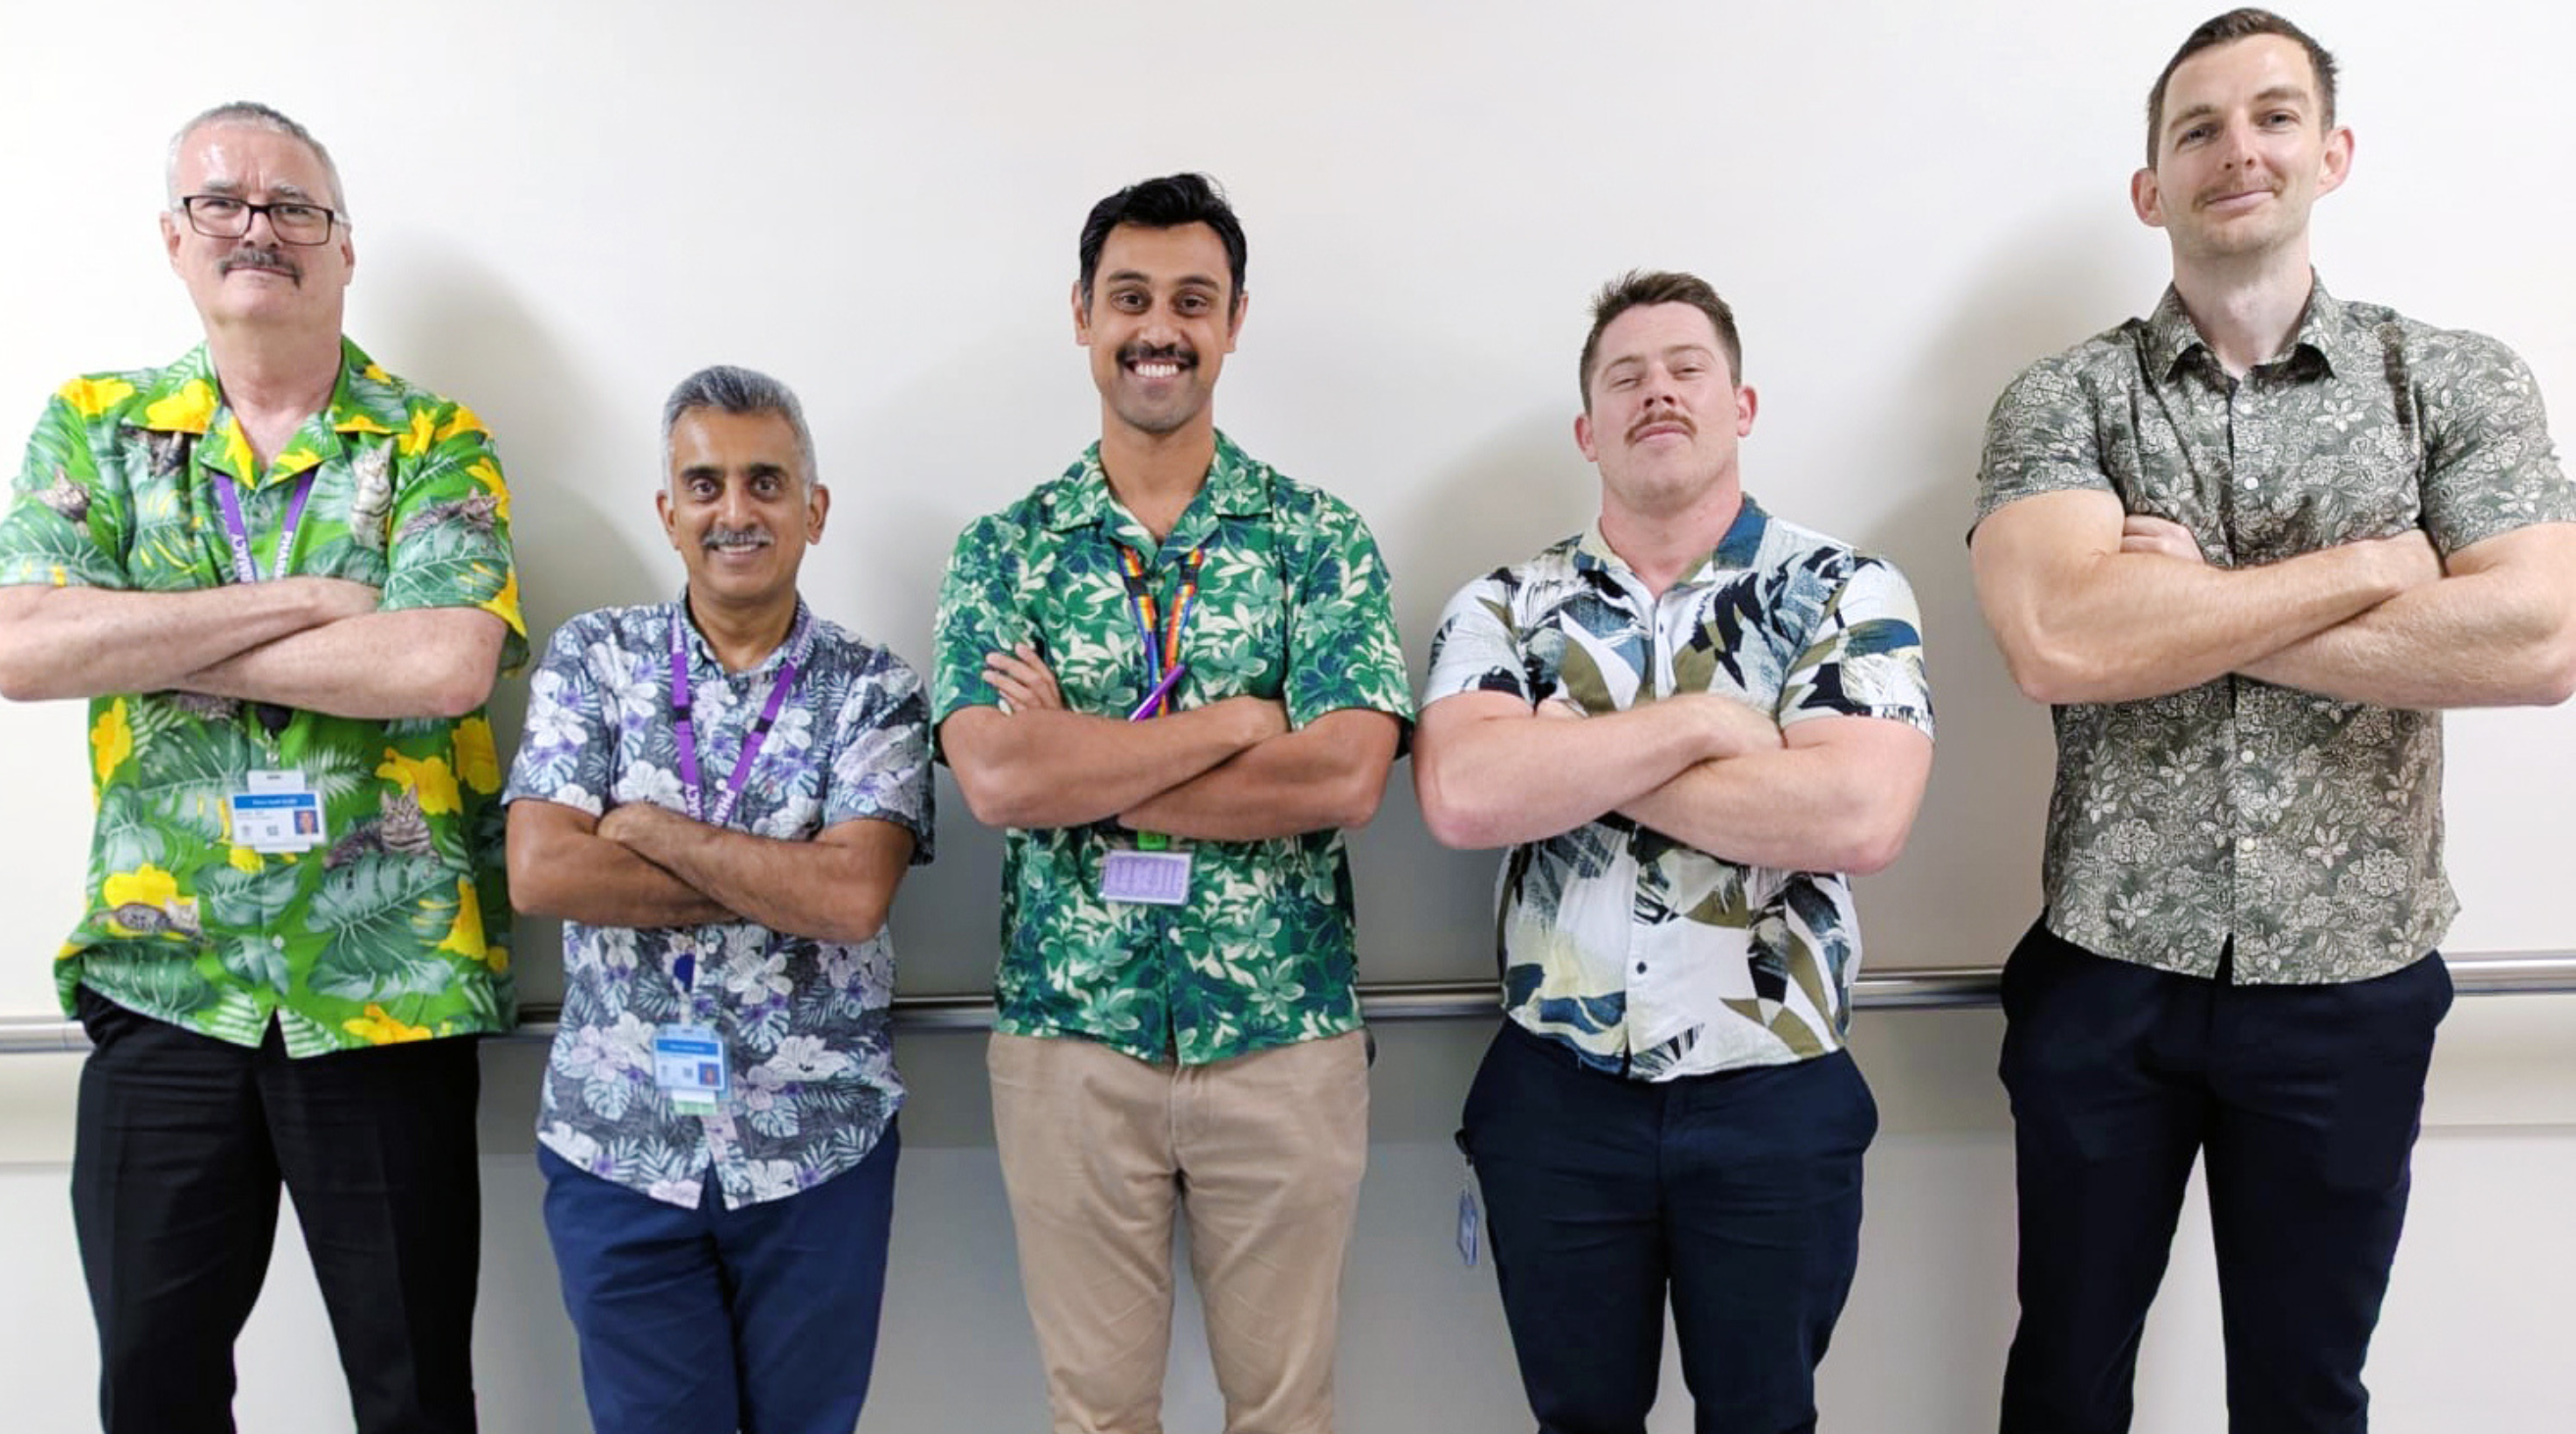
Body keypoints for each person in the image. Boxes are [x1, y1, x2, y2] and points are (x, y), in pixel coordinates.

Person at [1968, 11, 2576, 1432]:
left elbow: (2541, 638)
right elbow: (2058, 636)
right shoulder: (2065, 396)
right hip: (2108, 970)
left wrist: (2190, 609)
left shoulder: (2455, 381)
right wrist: (2376, 567)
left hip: (2352, 983)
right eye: (2197, 128)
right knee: (2062, 1377)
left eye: (2274, 116)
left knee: (2307, 1392)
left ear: (2332, 152)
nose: (2237, 147)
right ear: (2151, 187)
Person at [0, 101, 527, 1434]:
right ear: (174, 238)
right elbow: (21, 642)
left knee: (413, 1398)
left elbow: (442, 663)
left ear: (344, 251)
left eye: (292, 208)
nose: (256, 229)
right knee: (153, 1393)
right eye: (222, 203)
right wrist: (316, 601)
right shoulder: (96, 429)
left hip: (382, 990)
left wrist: (154, 640)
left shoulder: (432, 438)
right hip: (165, 984)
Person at [931, 172, 1412, 1434]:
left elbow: (1345, 775)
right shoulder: (1006, 547)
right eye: (1130, 297)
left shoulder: (1318, 539)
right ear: (1082, 315)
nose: (1161, 327)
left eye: (1192, 300)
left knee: (1286, 1410)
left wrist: (1079, 763)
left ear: (1235, 320)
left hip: (1282, 1039)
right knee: (1096, 1414)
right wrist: (1233, 726)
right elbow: (995, 776)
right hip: (1070, 1042)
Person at [1414, 270, 1934, 1434]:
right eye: (1626, 375)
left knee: (1763, 1417)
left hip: (1774, 1094)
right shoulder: (1505, 605)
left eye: (1687, 367)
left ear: (1740, 404)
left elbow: (1858, 815)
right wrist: (1706, 727)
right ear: (1587, 427)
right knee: (1578, 1419)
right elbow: (1461, 793)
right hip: (1558, 1094)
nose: (1659, 392)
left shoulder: (1843, 590)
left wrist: (1574, 757)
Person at [506, 365, 930, 1434]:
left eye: (765, 482)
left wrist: (650, 832)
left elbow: (848, 899)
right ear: (668, 510)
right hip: (618, 1146)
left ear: (813, 509)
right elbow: (544, 870)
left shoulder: (876, 688)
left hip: (813, 1149)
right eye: (704, 484)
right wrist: (769, 869)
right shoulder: (592, 661)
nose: (734, 511)